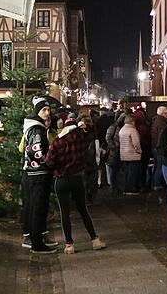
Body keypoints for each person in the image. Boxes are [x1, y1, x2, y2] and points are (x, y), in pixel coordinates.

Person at [46, 115, 106, 254]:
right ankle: (94, 240)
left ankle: (69, 244)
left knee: (65, 213)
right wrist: (87, 126)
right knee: (83, 210)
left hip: (61, 180)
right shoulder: (81, 139)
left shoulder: (57, 142)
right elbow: (93, 133)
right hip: (77, 179)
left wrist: (57, 167)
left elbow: (49, 162)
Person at [22, 96, 59, 254]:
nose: (47, 112)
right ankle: (37, 244)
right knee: (37, 208)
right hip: (38, 174)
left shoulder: (35, 127)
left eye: (48, 110)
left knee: (33, 207)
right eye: (44, 110)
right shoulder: (37, 129)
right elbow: (37, 152)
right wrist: (49, 163)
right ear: (37, 112)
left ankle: (34, 238)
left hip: (34, 173)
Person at [119, 114, 142, 195]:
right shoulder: (132, 130)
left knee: (126, 173)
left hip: (124, 154)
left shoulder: (122, 130)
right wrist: (139, 151)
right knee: (132, 173)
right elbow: (136, 143)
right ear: (132, 121)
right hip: (132, 154)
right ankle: (130, 189)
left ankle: (125, 189)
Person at [132, 108, 153, 191]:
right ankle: (142, 185)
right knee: (143, 169)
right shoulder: (144, 127)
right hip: (144, 149)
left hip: (136, 151)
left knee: (137, 169)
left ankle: (136, 185)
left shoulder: (134, 127)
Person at [151, 105, 167, 191]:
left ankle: (155, 183)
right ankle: (157, 184)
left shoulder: (156, 121)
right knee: (159, 166)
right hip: (159, 148)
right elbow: (161, 137)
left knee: (157, 166)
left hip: (155, 147)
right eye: (166, 113)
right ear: (162, 114)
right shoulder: (162, 123)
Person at [81, 116, 100, 205]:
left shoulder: (81, 136)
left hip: (88, 162)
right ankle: (88, 199)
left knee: (88, 183)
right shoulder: (92, 135)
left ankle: (88, 199)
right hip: (88, 162)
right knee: (89, 182)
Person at [105, 112, 124, 193]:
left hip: (121, 150)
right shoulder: (114, 127)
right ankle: (114, 186)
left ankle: (117, 186)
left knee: (117, 170)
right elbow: (108, 138)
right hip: (114, 152)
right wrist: (114, 146)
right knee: (114, 169)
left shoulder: (120, 127)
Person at [95, 108, 114, 188]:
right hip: (108, 143)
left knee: (99, 163)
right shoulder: (110, 121)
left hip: (100, 143)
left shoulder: (98, 121)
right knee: (108, 162)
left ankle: (99, 181)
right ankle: (109, 180)